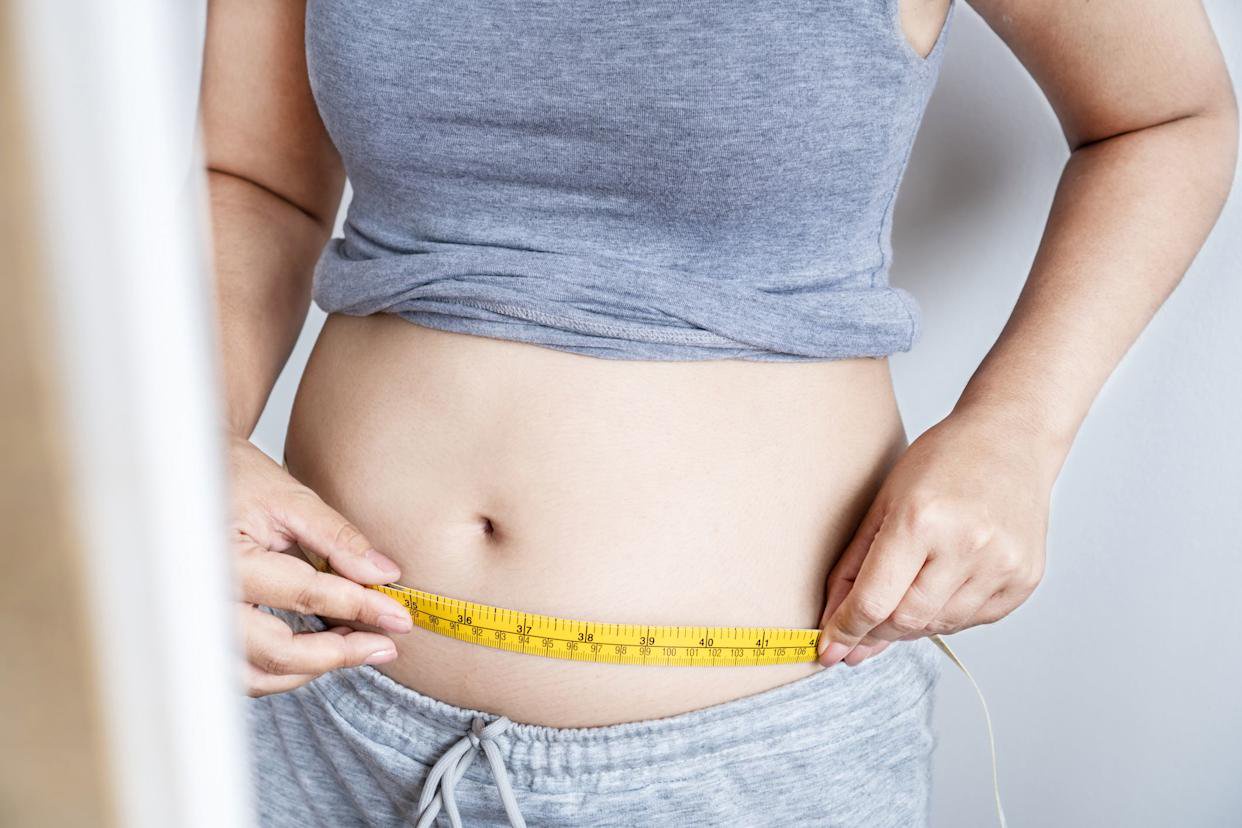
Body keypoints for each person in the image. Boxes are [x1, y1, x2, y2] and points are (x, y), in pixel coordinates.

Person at [202, 0, 1237, 825]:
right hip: (314, 706)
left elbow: (1168, 116)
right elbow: (255, 176)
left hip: (741, 764)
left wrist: (1019, 429)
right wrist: (196, 445)